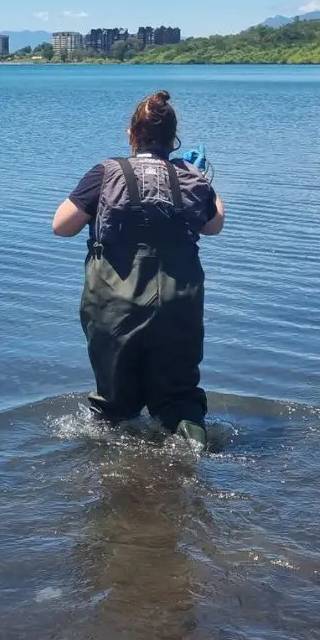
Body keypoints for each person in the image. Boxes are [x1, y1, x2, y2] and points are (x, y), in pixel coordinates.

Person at [51, 90, 225, 447]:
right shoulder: (190, 179)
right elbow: (214, 225)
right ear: (173, 139)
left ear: (131, 134)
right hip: (180, 302)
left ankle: (118, 474)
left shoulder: (106, 172)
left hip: (116, 305)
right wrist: (204, 179)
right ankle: (194, 457)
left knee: (115, 405)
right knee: (180, 398)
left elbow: (61, 226)